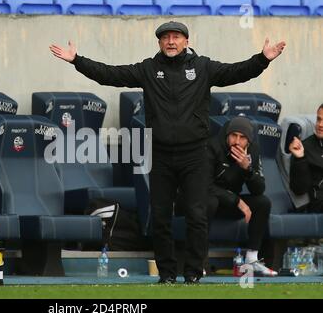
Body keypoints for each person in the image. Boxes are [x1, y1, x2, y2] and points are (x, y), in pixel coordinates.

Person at [49, 21, 285, 284]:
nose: (171, 41)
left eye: (176, 37)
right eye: (165, 38)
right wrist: (77, 61)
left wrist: (263, 59)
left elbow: (237, 72)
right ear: (159, 43)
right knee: (160, 216)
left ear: (186, 40)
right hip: (160, 155)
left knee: (197, 215)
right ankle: (167, 274)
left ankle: (194, 273)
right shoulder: (148, 69)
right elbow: (110, 75)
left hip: (195, 154)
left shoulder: (203, 67)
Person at [207, 116, 277, 276]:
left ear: (249, 142)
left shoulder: (253, 150)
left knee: (262, 203)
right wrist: (237, 201)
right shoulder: (213, 146)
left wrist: (248, 169)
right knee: (209, 202)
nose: (237, 142)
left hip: (228, 204)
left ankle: (251, 260)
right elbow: (204, 185)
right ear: (227, 136)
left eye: (242, 137)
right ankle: (199, 261)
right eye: (233, 135)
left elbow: (259, 189)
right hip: (207, 201)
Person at [289, 103, 323, 212]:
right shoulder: (305, 148)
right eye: (318, 119)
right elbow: (299, 189)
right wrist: (300, 159)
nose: (320, 124)